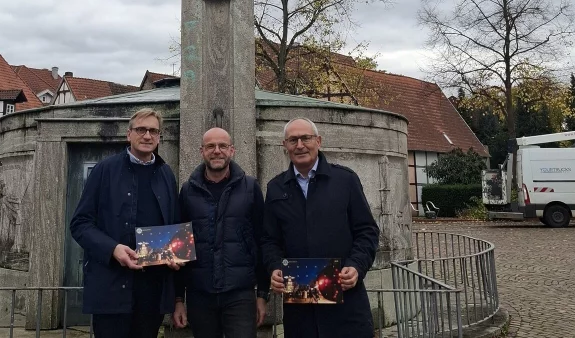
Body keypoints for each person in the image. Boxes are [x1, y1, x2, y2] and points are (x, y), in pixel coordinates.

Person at [262, 118, 379, 338]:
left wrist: (356, 266)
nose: (300, 145)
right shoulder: (276, 188)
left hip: (346, 305)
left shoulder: (345, 180)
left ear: (318, 141)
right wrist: (274, 267)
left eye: (305, 138)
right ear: (284, 145)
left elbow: (367, 232)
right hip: (300, 312)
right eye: (293, 140)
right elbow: (269, 240)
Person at [70, 108, 181, 338]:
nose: (147, 135)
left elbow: (173, 226)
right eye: (141, 129)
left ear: (159, 137)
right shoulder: (104, 171)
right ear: (128, 134)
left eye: (153, 131)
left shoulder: (166, 175)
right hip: (111, 289)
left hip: (151, 292)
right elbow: (80, 224)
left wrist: (174, 252)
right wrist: (113, 249)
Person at [172, 128, 270, 338]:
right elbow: (178, 247)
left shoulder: (250, 188)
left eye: (222, 146)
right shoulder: (188, 191)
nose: (217, 151)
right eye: (210, 146)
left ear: (232, 150)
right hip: (200, 293)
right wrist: (179, 299)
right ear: (202, 151)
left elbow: (262, 241)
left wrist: (262, 294)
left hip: (240, 293)